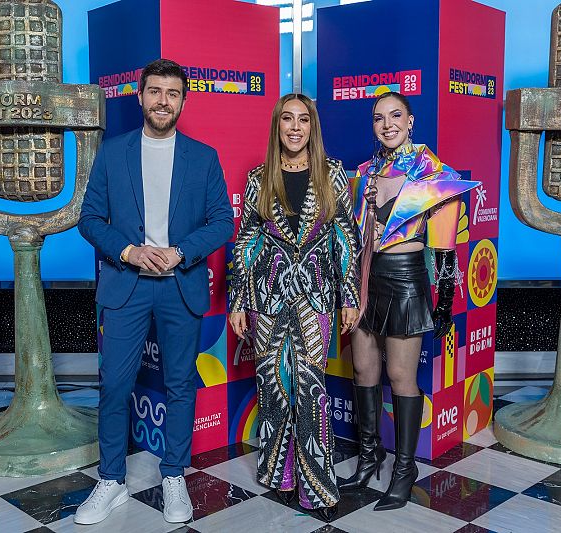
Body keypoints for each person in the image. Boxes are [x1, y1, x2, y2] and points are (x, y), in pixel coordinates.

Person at [75, 58, 234, 525]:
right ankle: (110, 480)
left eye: (173, 93)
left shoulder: (203, 157)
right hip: (127, 288)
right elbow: (90, 219)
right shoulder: (113, 152)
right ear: (140, 96)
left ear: (183, 100)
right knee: (115, 385)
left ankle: (173, 476)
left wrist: (182, 251)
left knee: (180, 385)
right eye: (155, 92)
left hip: (179, 288)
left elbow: (223, 221)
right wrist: (127, 251)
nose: (163, 100)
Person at [341, 92, 479, 511]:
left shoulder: (432, 170)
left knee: (401, 375)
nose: (387, 124)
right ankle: (369, 458)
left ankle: (404, 469)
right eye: (379, 118)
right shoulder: (365, 171)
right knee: (363, 367)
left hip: (404, 281)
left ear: (411, 120)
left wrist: (446, 299)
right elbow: (353, 236)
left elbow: (444, 248)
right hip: (367, 278)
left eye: (395, 115)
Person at [228, 93, 360, 521]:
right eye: (288, 119)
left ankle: (317, 485)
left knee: (310, 391)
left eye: (303, 120)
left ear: (312, 128)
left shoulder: (332, 174)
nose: (295, 127)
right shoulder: (259, 177)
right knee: (274, 389)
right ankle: (279, 474)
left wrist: (350, 298)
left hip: (316, 300)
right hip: (267, 300)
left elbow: (345, 239)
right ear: (277, 126)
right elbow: (245, 243)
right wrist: (238, 300)